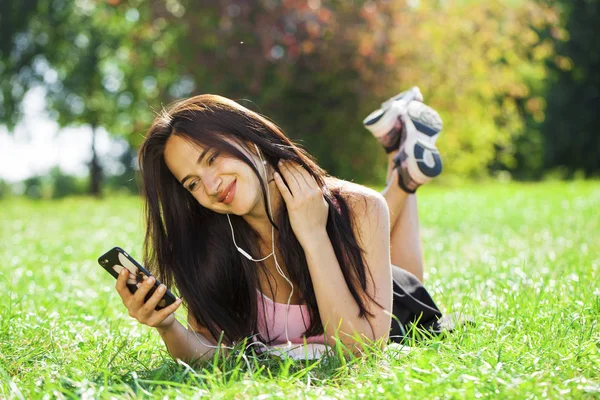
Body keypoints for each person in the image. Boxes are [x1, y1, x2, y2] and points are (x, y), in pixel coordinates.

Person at [114, 88, 449, 362]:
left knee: (403, 278)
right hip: (365, 267)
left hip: (393, 300)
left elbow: (360, 352)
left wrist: (314, 234)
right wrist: (168, 326)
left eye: (213, 158)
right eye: (192, 184)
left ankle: (403, 173)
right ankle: (403, 164)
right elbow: (214, 356)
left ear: (249, 138)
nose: (212, 185)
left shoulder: (360, 205)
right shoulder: (209, 249)